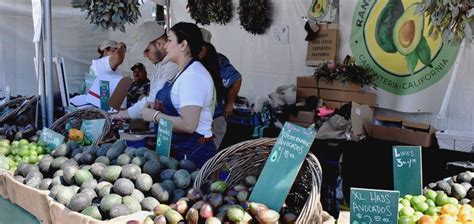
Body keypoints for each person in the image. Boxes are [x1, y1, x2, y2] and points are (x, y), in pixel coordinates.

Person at [140, 22, 221, 168]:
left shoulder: (193, 76)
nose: (165, 46)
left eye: (170, 40)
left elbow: (189, 125)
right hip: (180, 152)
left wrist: (154, 116)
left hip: (193, 155)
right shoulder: (182, 73)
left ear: (183, 45)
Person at [111, 21, 178, 120]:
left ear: (159, 44)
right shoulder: (160, 64)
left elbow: (154, 99)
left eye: (146, 50)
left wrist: (122, 115)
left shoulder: (173, 65)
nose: (145, 55)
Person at [200, 28, 243, 149]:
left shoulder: (219, 61)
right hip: (198, 118)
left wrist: (230, 103)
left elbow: (236, 79)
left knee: (210, 152)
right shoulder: (192, 61)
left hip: (215, 117)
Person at [70, 40, 127, 108]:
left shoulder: (102, 65)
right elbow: (118, 56)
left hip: (111, 112)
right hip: (106, 112)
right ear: (105, 51)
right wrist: (122, 46)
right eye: (114, 50)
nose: (117, 52)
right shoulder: (101, 64)